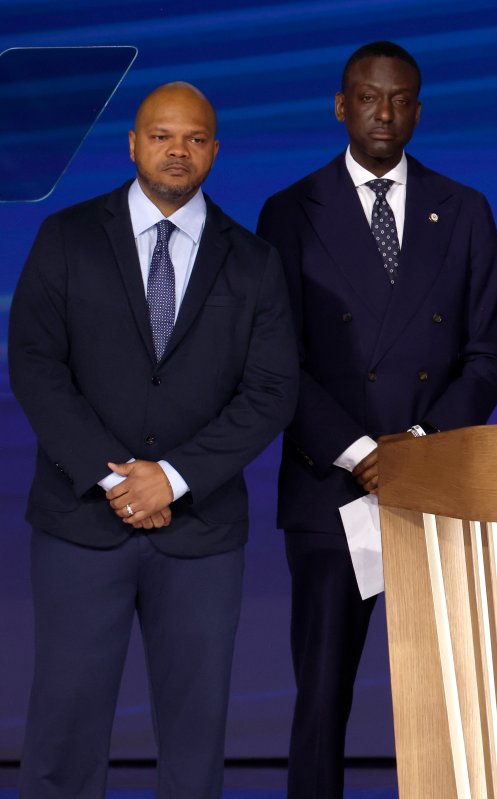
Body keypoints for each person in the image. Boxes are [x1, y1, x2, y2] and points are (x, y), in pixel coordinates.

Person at [8, 81, 298, 798]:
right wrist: (117, 479)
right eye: (162, 135)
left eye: (195, 138)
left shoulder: (254, 261)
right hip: (81, 522)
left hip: (200, 531)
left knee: (196, 736)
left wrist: (170, 476)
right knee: (64, 726)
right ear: (133, 143)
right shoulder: (67, 237)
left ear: (214, 152)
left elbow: (270, 392)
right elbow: (36, 367)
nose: (178, 150)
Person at [256, 41, 497, 797]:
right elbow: (277, 362)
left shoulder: (465, 209)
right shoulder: (290, 210)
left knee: (447, 704)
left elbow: (488, 355)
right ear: (342, 106)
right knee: (321, 700)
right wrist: (363, 450)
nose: (384, 112)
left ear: (418, 111)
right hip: (331, 490)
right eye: (368, 97)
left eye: (400, 99)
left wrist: (419, 450)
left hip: (434, 492)